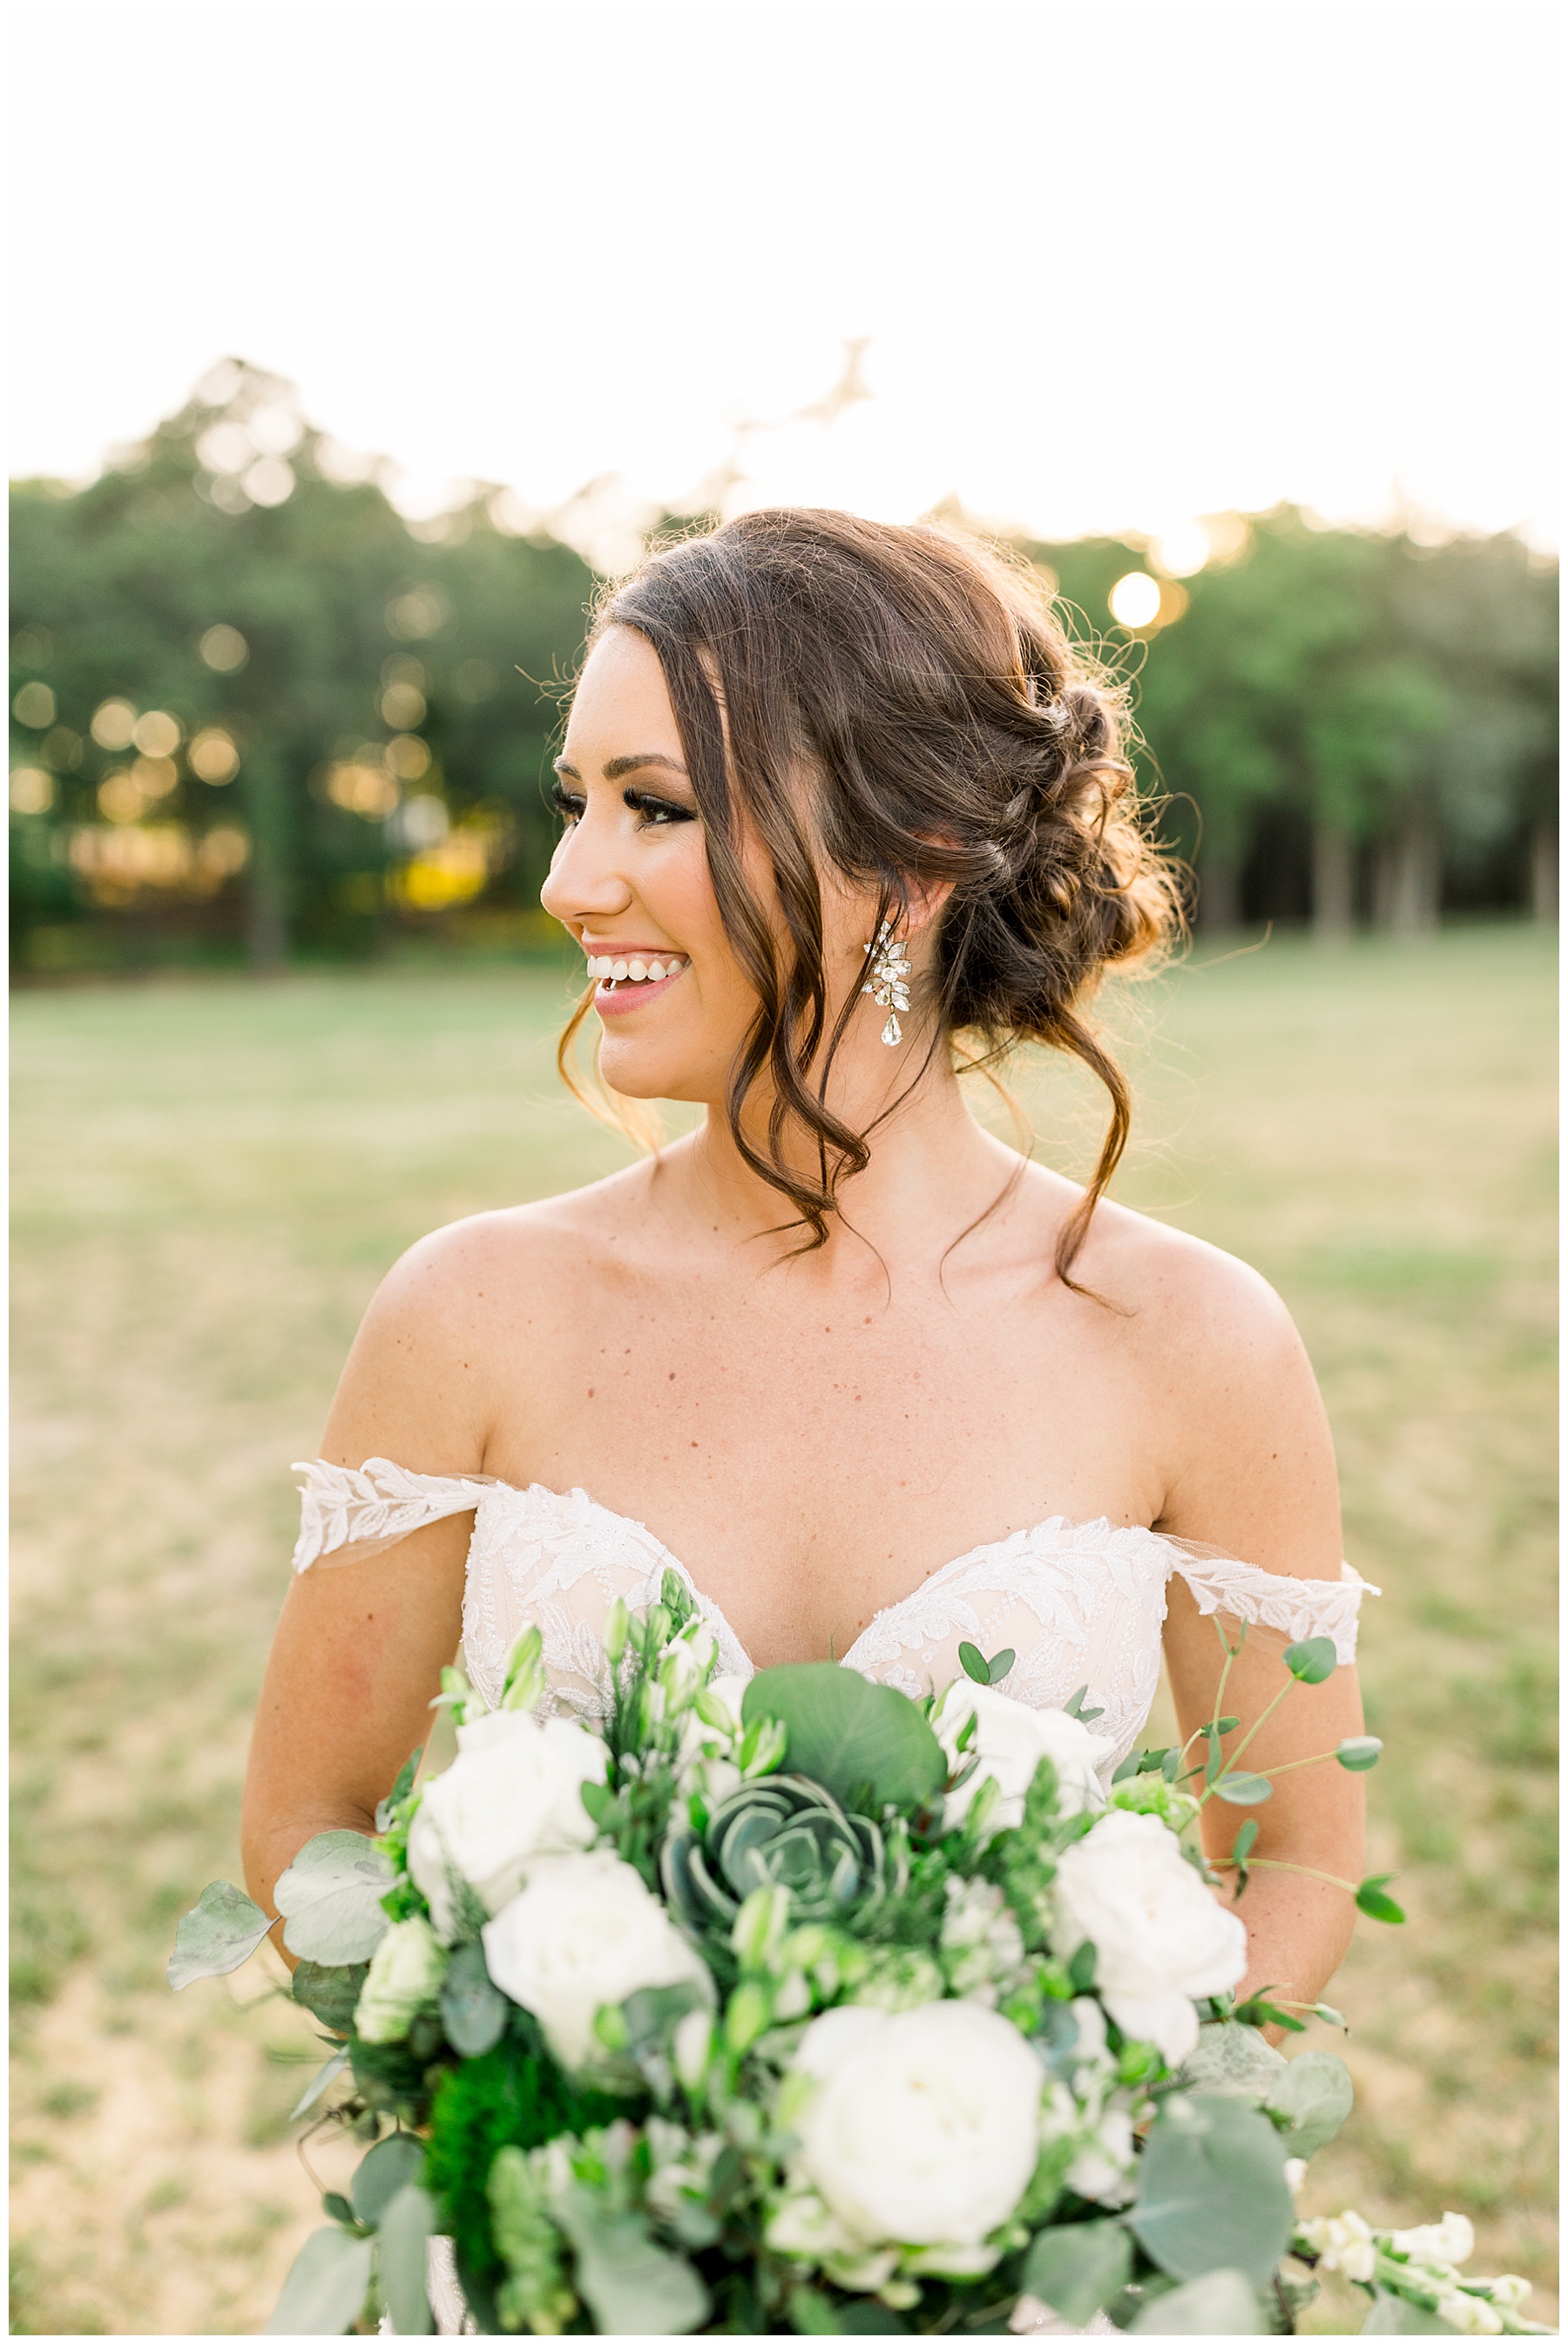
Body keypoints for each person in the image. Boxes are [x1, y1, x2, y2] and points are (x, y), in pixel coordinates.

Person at [243, 505, 1369, 2175]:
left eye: (656, 807)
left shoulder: (1191, 1341)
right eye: (577, 806)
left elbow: (1295, 1864)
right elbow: (307, 1830)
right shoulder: (467, 1316)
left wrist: (1036, 2184)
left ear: (908, 867)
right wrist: (561, 2157)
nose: (568, 882)